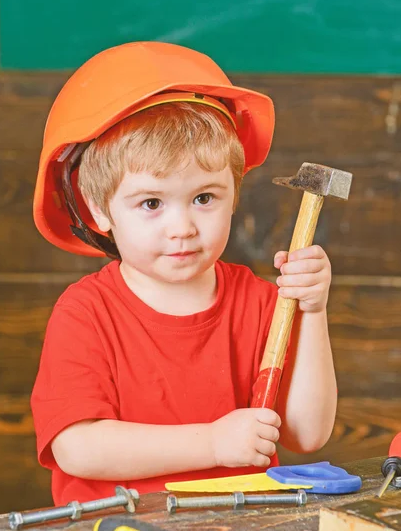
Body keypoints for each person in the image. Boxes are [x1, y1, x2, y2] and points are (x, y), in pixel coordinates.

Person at [31, 42, 336, 505]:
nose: (183, 228)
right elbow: (77, 447)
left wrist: (312, 310)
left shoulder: (260, 302)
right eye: (152, 203)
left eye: (204, 198)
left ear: (234, 194)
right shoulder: (86, 313)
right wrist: (212, 443)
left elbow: (307, 433)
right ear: (99, 209)